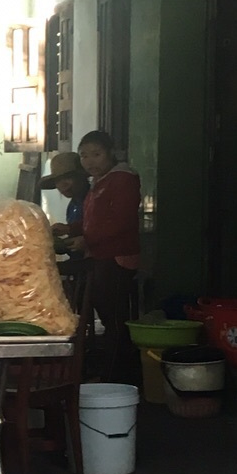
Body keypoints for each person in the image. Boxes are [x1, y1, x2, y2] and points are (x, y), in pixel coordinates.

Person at [77, 130, 141, 383]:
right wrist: (70, 229)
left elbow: (120, 222)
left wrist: (86, 239)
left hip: (117, 258)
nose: (89, 161)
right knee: (108, 316)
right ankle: (113, 373)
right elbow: (94, 221)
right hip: (100, 256)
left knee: (114, 320)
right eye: (84, 156)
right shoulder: (100, 181)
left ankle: (117, 377)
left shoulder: (123, 179)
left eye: (96, 154)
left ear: (110, 153)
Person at [40, 150, 89, 242]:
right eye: (57, 180)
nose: (62, 185)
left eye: (68, 177)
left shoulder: (95, 200)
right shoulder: (73, 205)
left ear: (81, 177)